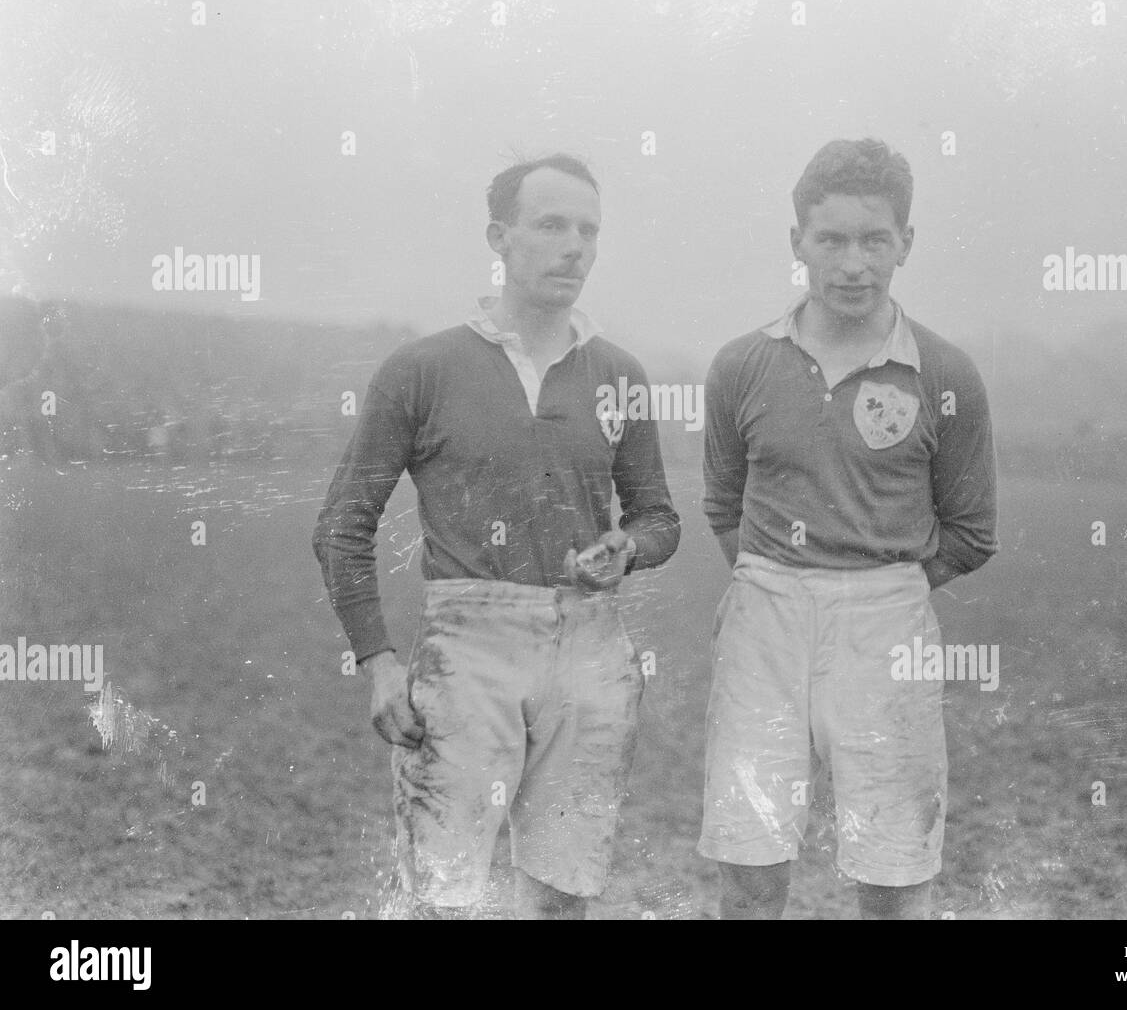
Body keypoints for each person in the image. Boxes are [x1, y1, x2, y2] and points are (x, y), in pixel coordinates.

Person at [313, 154, 680, 919]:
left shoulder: (619, 373)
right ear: (499, 238)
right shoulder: (423, 368)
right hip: (468, 647)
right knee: (445, 897)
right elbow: (343, 523)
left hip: (589, 648)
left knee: (561, 895)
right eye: (550, 225)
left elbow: (659, 517)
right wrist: (378, 660)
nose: (573, 246)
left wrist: (629, 548)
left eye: (588, 230)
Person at [698, 137, 998, 919]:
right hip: (764, 615)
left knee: (893, 860)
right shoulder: (741, 364)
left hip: (885, 623)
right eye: (831, 239)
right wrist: (779, 582)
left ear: (906, 242)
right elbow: (724, 503)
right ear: (797, 242)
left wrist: (876, 586)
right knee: (750, 853)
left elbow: (970, 530)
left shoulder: (945, 373)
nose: (853, 263)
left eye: (874, 239)